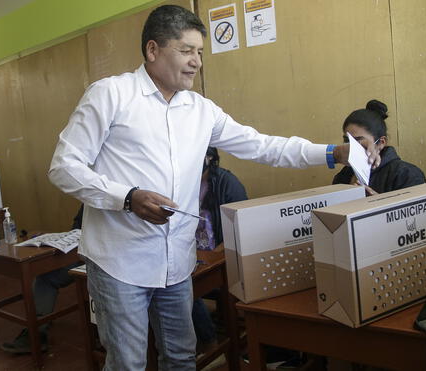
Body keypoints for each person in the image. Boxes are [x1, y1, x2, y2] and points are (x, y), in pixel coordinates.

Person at [48, 5, 379, 370]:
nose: (196, 62)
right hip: (119, 263)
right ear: (153, 50)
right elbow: (64, 167)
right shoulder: (111, 95)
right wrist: (127, 198)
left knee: (181, 357)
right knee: (128, 363)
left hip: (176, 263)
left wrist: (334, 151)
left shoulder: (201, 110)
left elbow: (263, 146)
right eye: (186, 50)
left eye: (200, 52)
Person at [0, 208, 84, 355]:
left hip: (107, 260)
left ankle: (38, 328)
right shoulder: (89, 197)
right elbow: (76, 229)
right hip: (82, 253)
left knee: (48, 279)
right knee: (46, 278)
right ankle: (38, 331)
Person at [192, 147, 247, 355]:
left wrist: (213, 258)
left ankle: (210, 345)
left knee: (182, 285)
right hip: (188, 253)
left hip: (219, 256)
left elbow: (240, 226)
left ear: (210, 157)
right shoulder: (181, 183)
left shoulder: (226, 182)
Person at [332, 100, 425, 195]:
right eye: (347, 140)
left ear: (381, 142)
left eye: (358, 140)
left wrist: (377, 202)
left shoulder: (406, 174)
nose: (351, 146)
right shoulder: (343, 175)